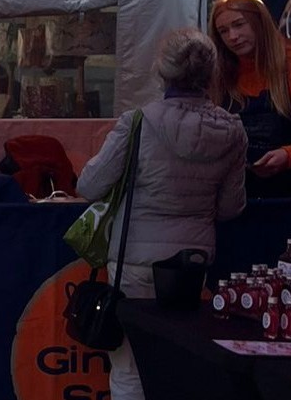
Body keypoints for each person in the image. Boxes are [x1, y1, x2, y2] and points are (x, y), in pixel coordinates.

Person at [77, 28, 247, 400]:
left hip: (135, 261)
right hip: (192, 264)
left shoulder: (138, 122)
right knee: (181, 359)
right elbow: (232, 207)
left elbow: (88, 186)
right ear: (211, 74)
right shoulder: (233, 131)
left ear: (162, 72)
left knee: (129, 367)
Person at [210, 0, 291, 196]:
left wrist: (289, 155)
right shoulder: (218, 76)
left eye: (239, 25)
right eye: (223, 31)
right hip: (235, 201)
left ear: (259, 22)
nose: (232, 36)